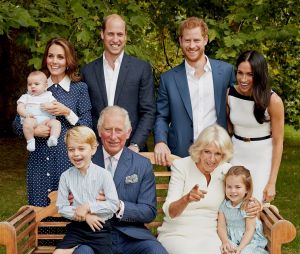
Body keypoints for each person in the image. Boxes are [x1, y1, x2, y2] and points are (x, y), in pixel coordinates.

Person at [69, 106, 171, 254]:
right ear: (99, 132)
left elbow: (148, 211)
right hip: (92, 236)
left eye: (119, 130)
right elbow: (72, 201)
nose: (113, 136)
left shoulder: (141, 165)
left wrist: (117, 206)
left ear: (128, 133)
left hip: (130, 237)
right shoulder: (83, 160)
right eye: (108, 129)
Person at [157, 125, 261, 254]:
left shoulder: (226, 170)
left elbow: (244, 194)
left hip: (210, 232)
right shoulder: (181, 166)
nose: (212, 159)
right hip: (178, 231)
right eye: (207, 152)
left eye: (218, 154)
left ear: (224, 155)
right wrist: (186, 199)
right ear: (199, 150)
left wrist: (255, 204)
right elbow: (169, 212)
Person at [13, 37, 92, 206]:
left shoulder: (79, 89)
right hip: (39, 160)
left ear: (68, 60)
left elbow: (88, 127)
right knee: (40, 214)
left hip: (68, 161)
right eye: (50, 56)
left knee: (69, 215)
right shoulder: (36, 85)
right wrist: (33, 132)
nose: (54, 61)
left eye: (60, 57)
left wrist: (67, 112)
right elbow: (15, 124)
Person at [45, 126, 119, 254]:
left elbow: (113, 204)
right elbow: (62, 207)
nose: (76, 154)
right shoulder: (66, 176)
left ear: (93, 149)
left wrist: (88, 207)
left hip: (100, 230)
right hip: (77, 230)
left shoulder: (104, 175)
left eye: (81, 148)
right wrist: (84, 216)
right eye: (71, 150)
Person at [154, 17, 235, 165]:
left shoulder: (225, 72)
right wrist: (160, 141)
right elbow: (162, 117)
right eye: (187, 40)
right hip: (180, 155)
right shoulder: (168, 78)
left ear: (205, 39)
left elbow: (237, 108)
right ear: (180, 41)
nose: (192, 46)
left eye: (196, 40)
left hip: (218, 153)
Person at [81, 14, 155, 152]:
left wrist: (135, 144)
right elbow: (86, 112)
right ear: (102, 34)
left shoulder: (141, 69)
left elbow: (148, 111)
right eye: (110, 34)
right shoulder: (87, 71)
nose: (115, 39)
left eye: (120, 34)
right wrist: (93, 143)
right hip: (97, 151)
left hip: (132, 150)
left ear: (126, 36)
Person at [227, 50, 284, 202]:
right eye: (240, 73)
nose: (243, 79)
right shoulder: (230, 94)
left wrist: (272, 182)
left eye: (250, 74)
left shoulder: (273, 101)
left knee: (255, 208)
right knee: (233, 205)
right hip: (236, 155)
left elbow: (278, 142)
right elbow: (227, 130)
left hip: (262, 159)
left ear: (259, 75)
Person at [217, 166, 270, 254]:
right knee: (227, 253)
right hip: (232, 240)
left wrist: (240, 248)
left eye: (237, 187)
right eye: (229, 187)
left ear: (247, 189)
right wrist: (225, 242)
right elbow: (221, 227)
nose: (232, 191)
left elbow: (249, 230)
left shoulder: (249, 205)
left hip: (249, 240)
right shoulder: (224, 205)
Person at [17, 71, 61, 151]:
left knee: (56, 123)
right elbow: (20, 107)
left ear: (45, 86)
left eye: (36, 84)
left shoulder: (48, 95)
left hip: (47, 121)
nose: (32, 86)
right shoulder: (26, 97)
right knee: (27, 123)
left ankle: (53, 138)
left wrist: (50, 105)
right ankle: (30, 141)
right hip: (32, 120)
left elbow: (55, 105)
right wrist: (26, 114)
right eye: (30, 84)